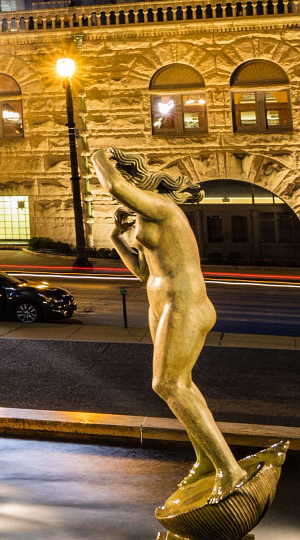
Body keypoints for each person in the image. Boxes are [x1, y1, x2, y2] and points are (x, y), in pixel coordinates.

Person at [92, 146, 246, 499]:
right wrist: (117, 237)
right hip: (161, 304)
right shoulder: (147, 219)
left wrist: (98, 156)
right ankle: (206, 461)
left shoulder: (162, 208)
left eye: (132, 186)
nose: (128, 193)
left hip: (185, 304)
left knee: (166, 384)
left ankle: (230, 469)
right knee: (183, 385)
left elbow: (114, 186)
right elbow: (144, 271)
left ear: (141, 186)